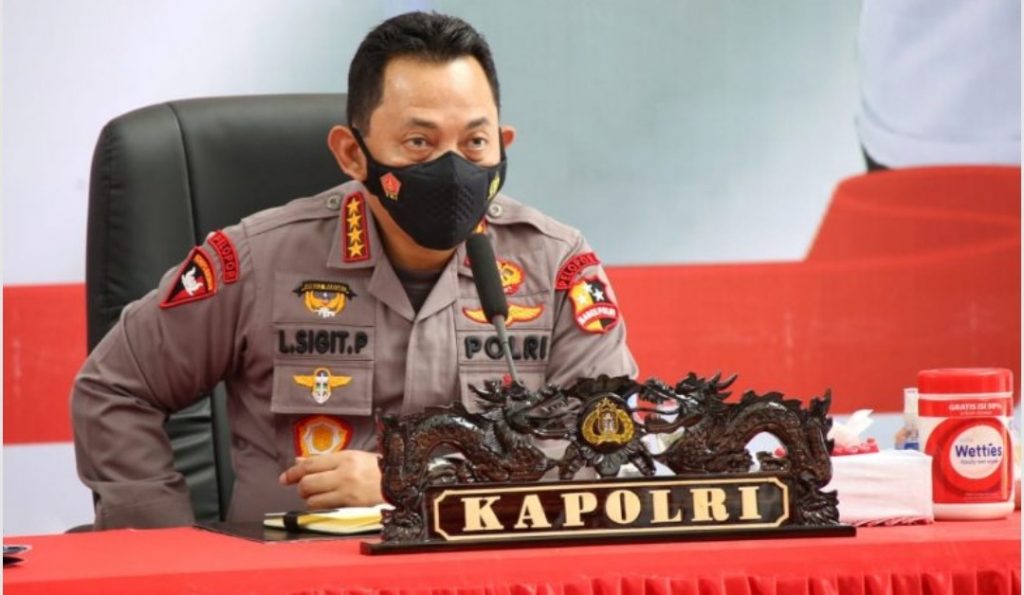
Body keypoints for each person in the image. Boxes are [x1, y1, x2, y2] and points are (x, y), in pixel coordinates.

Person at [71, 11, 637, 530]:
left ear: (503, 146)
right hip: (294, 575)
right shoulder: (258, 260)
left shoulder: (554, 265)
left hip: (480, 572)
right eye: (419, 142)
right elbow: (116, 389)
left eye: (475, 142)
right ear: (351, 154)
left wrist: (414, 479)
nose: (452, 168)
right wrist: (171, 552)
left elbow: (608, 443)